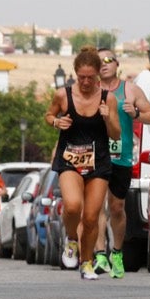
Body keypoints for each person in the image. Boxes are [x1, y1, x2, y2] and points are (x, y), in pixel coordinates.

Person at [47, 46, 121, 279]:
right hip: (70, 159)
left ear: (98, 75)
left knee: (91, 217)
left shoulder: (107, 99)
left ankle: (86, 262)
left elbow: (116, 135)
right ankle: (71, 239)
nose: (86, 82)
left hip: (98, 162)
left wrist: (107, 118)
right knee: (71, 206)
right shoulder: (63, 95)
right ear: (76, 74)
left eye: (91, 78)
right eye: (82, 78)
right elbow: (49, 115)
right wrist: (56, 123)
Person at [98, 50, 150, 278]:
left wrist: (136, 113)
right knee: (96, 206)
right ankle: (100, 254)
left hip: (121, 157)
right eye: (98, 61)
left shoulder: (129, 90)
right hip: (96, 156)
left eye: (107, 60)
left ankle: (117, 253)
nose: (102, 65)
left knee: (116, 207)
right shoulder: (90, 91)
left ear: (116, 64)